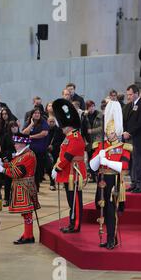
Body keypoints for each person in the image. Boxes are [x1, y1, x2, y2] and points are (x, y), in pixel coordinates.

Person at [90, 101, 131, 250]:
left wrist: (106, 160)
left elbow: (123, 166)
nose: (109, 134)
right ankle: (108, 237)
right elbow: (92, 166)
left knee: (110, 211)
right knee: (101, 208)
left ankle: (111, 239)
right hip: (101, 180)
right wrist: (97, 157)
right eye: (107, 131)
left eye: (111, 131)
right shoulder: (100, 145)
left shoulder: (123, 147)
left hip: (113, 180)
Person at [0, 133, 39, 244]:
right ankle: (27, 234)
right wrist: (3, 164)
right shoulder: (23, 154)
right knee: (25, 213)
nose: (14, 145)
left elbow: (18, 172)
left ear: (22, 143)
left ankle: (29, 236)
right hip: (21, 186)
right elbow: (14, 164)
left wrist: (2, 170)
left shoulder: (28, 155)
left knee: (27, 212)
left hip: (25, 187)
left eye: (16, 143)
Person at [51, 99, 87, 233]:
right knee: (70, 199)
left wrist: (57, 168)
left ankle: (76, 225)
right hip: (69, 173)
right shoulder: (69, 136)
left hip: (74, 173)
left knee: (75, 201)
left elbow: (68, 156)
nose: (62, 128)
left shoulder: (75, 137)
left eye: (63, 126)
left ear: (69, 126)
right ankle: (72, 223)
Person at [123, 85, 141, 193]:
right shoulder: (129, 106)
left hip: (138, 138)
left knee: (138, 162)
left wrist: (130, 133)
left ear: (136, 93)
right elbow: (125, 120)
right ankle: (133, 183)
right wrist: (124, 131)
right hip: (128, 137)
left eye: (130, 94)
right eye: (128, 95)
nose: (128, 97)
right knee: (132, 162)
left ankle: (140, 184)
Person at [22, 108, 49, 191]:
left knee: (38, 169)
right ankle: (31, 186)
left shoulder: (43, 121)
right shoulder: (28, 122)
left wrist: (32, 137)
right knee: (30, 168)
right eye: (35, 113)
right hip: (30, 150)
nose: (37, 114)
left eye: (38, 113)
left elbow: (44, 133)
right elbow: (24, 133)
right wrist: (31, 124)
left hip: (40, 150)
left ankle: (36, 186)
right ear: (32, 114)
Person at [0, 120, 18, 206]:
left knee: (18, 181)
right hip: (8, 160)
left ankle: (17, 199)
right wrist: (4, 158)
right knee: (8, 181)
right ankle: (7, 199)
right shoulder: (5, 137)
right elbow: (2, 150)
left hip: (19, 160)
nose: (14, 128)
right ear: (9, 128)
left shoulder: (20, 136)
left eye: (16, 126)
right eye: (12, 127)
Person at [85, 100, 102, 183]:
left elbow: (102, 128)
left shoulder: (100, 115)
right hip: (88, 141)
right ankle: (92, 175)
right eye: (89, 107)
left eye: (92, 106)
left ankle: (98, 175)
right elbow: (83, 128)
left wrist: (92, 131)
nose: (91, 108)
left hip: (97, 140)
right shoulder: (85, 116)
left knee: (97, 158)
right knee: (90, 158)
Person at [47, 117, 65, 190]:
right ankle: (52, 183)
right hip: (47, 152)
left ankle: (63, 181)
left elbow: (63, 141)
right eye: (50, 121)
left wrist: (53, 146)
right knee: (50, 168)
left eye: (53, 121)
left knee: (60, 167)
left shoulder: (59, 130)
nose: (51, 123)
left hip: (57, 151)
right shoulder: (45, 130)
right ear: (47, 122)